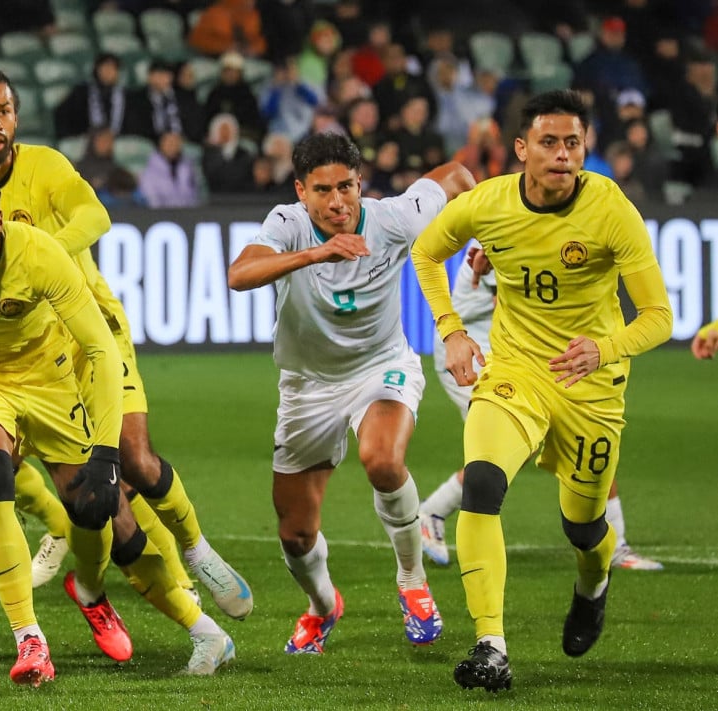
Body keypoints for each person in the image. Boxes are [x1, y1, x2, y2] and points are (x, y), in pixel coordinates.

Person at [0, 49, 253, 623]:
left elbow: (95, 217)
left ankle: (194, 550)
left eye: (5, 110)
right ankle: (117, 593)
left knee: (132, 460)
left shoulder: (47, 166)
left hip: (91, 335)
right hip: (19, 362)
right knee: (83, 497)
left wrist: (35, 257)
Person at [0, 173, 234, 683]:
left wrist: (106, 453)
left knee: (96, 509)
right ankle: (30, 640)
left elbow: (103, 349)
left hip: (50, 381)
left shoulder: (37, 254)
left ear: (0, 222)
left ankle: (103, 593)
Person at [411, 89, 672, 691]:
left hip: (592, 387)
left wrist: (604, 348)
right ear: (522, 149)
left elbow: (658, 315)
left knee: (583, 528)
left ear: (586, 148)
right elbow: (427, 252)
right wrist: (451, 331)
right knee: (482, 483)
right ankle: (491, 645)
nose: (563, 154)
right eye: (549, 142)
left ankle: (593, 584)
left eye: (573, 143)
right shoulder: (490, 202)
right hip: (517, 372)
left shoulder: (611, 209)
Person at [227, 132, 475, 656]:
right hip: (307, 386)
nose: (337, 202)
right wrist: (317, 253)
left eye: (346, 187)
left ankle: (412, 581)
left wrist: (486, 245)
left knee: (382, 461)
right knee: (296, 534)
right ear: (301, 190)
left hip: (381, 368)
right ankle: (322, 607)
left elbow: (455, 175)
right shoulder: (287, 225)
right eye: (322, 190)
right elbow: (239, 273)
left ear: (361, 183)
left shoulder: (394, 217)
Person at [420, 245, 665, 572]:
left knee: (589, 435)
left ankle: (615, 544)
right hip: (477, 351)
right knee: (502, 451)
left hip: (523, 356)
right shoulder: (507, 230)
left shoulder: (544, 224)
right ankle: (432, 513)